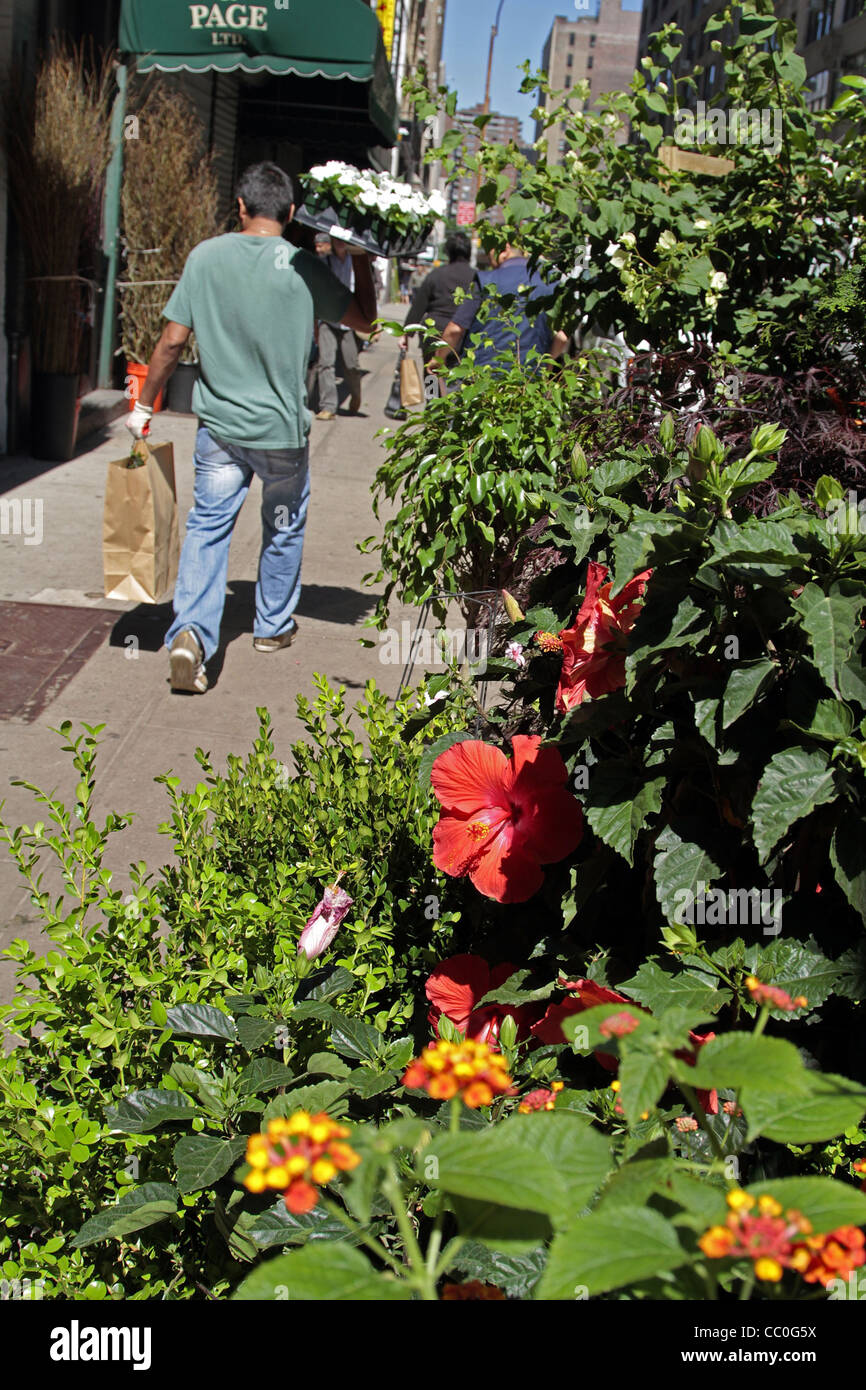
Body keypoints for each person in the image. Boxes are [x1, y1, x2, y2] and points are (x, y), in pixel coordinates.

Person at [124, 161, 376, 694]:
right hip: (282, 435)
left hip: (220, 431)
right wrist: (361, 257)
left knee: (208, 529)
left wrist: (144, 406)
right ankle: (271, 627)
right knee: (283, 526)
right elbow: (365, 323)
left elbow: (171, 343)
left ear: (240, 207)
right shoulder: (304, 266)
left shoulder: (206, 258)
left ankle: (191, 632)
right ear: (289, 213)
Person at [438, 242, 569, 369]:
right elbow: (562, 337)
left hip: (483, 373)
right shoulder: (552, 283)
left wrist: (438, 358)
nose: (489, 258)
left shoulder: (486, 280)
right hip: (531, 375)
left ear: (505, 249)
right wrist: (547, 365)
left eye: (490, 250)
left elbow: (455, 329)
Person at [399, 230, 476, 364]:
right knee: (460, 378)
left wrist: (406, 334)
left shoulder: (436, 274)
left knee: (432, 378)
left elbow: (418, 307)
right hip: (464, 336)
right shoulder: (477, 278)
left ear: (448, 251)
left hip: (434, 333)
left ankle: (432, 385)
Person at [314, 234, 364, 419]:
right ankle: (328, 406)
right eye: (336, 239)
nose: (340, 242)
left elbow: (368, 292)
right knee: (325, 363)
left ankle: (356, 394)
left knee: (352, 365)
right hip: (328, 318)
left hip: (350, 320)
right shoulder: (325, 261)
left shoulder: (357, 262)